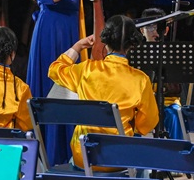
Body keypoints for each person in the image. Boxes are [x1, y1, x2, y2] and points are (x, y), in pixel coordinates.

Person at [26, 0, 139, 165]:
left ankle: (72, 152)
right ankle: (49, 155)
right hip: (52, 30)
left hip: (72, 28)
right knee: (54, 87)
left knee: (75, 90)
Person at [47, 15, 158, 170]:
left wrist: (78, 46)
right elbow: (148, 123)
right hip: (119, 159)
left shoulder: (86, 70)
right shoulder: (141, 80)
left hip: (84, 156)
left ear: (105, 41)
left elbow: (54, 69)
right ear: (131, 45)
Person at [138, 7, 183, 140]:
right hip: (142, 104)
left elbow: (177, 88)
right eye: (150, 27)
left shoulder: (173, 53)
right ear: (142, 30)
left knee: (175, 114)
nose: (155, 31)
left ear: (166, 30)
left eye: (158, 27)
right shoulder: (136, 53)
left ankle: (177, 150)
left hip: (167, 101)